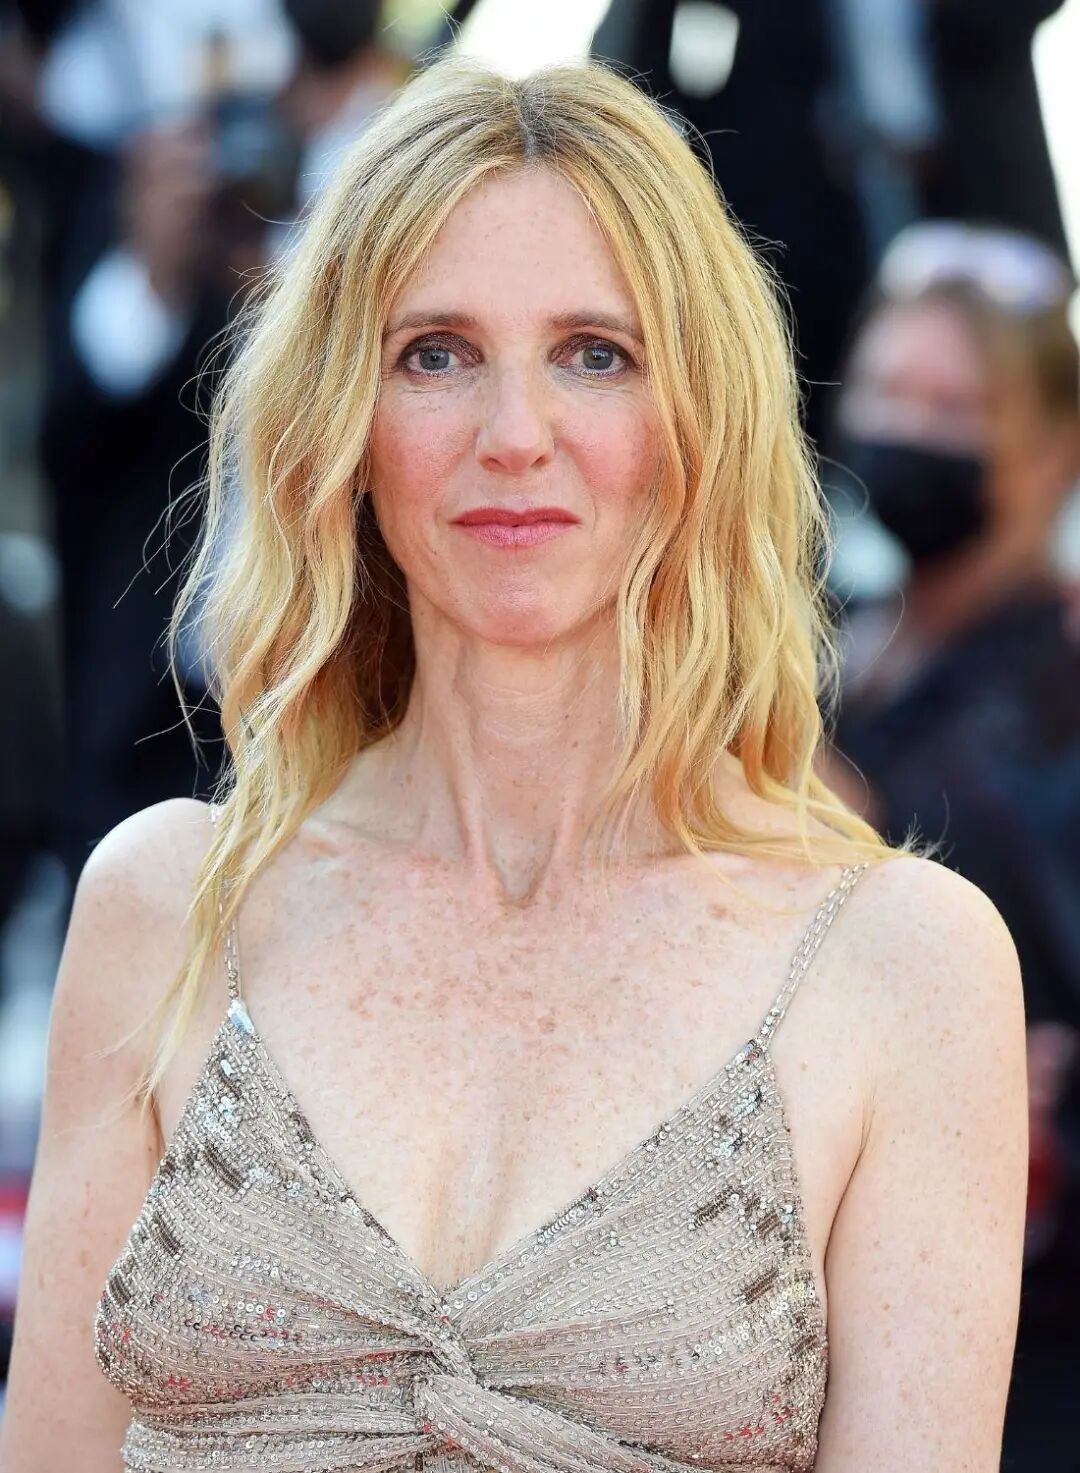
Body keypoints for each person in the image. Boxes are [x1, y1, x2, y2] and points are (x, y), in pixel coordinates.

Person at [0, 56, 1027, 1471]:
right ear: (344, 422)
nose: (515, 436)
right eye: (437, 353)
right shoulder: (167, 905)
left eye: (594, 354)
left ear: (699, 420)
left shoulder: (903, 966)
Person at [822, 219, 1080, 1473]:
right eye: (890, 395)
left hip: (1027, 1340)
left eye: (956, 409)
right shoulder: (831, 642)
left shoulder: (1058, 686)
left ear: (1052, 449)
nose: (910, 433)